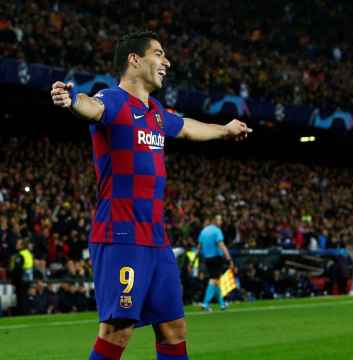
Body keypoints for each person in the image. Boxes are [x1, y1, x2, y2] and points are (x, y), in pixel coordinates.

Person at [50, 31, 251, 360]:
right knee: (117, 330)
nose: (166, 61)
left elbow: (186, 126)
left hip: (156, 239)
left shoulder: (156, 112)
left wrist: (225, 129)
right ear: (134, 59)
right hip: (121, 234)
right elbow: (92, 107)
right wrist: (72, 99)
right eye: (158, 53)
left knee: (174, 329)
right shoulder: (114, 101)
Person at [196, 215, 233, 311]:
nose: (221, 222)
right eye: (220, 220)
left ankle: (222, 304)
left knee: (216, 280)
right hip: (216, 258)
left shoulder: (204, 231)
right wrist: (229, 258)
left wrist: (194, 261)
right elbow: (221, 244)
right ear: (215, 221)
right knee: (213, 280)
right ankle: (205, 303)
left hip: (207, 258)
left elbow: (199, 246)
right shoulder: (217, 231)